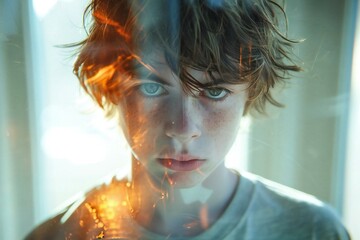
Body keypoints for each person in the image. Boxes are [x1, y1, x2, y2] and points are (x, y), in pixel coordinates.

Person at [26, 0, 350, 239]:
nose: (183, 129)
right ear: (112, 90)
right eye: (152, 88)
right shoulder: (60, 234)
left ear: (249, 93)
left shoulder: (311, 230)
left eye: (215, 91)